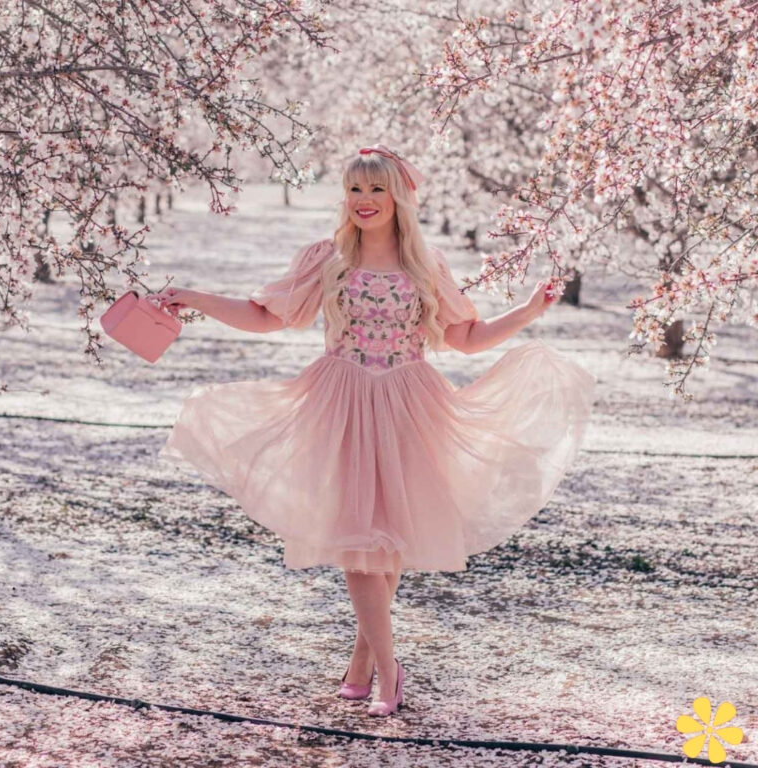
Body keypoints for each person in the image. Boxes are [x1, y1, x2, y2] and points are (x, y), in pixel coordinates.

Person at [148, 143, 597, 718]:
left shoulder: (423, 264)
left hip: (411, 403)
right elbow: (264, 317)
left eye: (376, 189)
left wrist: (529, 312)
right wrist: (191, 297)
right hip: (342, 403)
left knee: (390, 543)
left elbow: (463, 336)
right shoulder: (327, 257)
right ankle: (389, 671)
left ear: (398, 197)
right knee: (358, 544)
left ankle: (362, 663)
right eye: (355, 189)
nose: (363, 201)